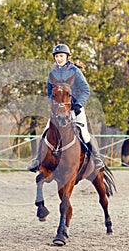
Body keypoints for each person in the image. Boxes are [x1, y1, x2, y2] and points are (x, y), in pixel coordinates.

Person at [28, 43, 105, 172]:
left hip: (75, 108)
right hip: (59, 111)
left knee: (85, 134)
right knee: (45, 132)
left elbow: (86, 90)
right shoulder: (52, 73)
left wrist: (78, 104)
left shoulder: (75, 71)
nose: (59, 58)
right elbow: (49, 93)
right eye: (57, 56)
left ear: (67, 56)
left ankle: (97, 160)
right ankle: (37, 161)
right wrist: (56, 106)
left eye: (61, 56)